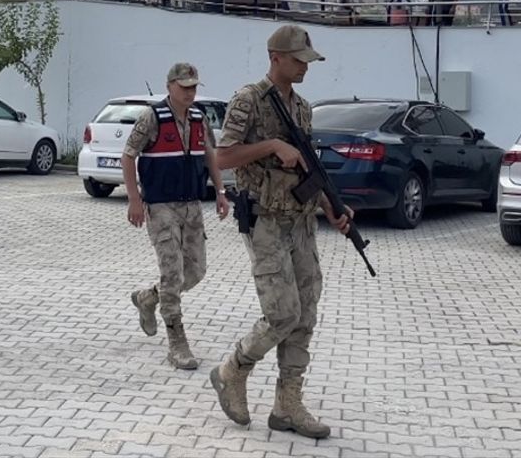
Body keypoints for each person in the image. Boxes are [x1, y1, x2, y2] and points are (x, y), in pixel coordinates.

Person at [208, 25, 353, 440]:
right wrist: (272, 145)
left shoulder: (303, 107)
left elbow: (307, 168)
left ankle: (287, 404)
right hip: (266, 221)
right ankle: (232, 369)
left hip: (302, 221)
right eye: (298, 60)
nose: (305, 67)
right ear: (275, 57)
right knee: (282, 313)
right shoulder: (248, 100)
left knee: (305, 313)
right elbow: (223, 155)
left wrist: (333, 209)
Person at [124, 63, 230, 370]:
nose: (190, 93)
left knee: (194, 272)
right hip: (161, 207)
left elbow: (210, 153)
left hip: (192, 205)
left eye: (194, 87)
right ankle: (177, 343)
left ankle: (148, 297)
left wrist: (221, 192)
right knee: (172, 274)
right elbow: (129, 154)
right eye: (184, 87)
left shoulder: (199, 118)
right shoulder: (152, 117)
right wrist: (134, 198)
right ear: (170, 86)